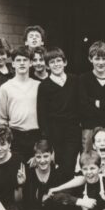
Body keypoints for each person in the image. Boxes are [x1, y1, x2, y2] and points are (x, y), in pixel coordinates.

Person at [37, 47, 81, 178]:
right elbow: (42, 114)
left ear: (65, 62)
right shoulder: (44, 86)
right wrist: (47, 137)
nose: (56, 64)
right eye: (52, 62)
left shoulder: (74, 80)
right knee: (59, 165)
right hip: (55, 132)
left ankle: (71, 194)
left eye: (58, 60)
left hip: (73, 130)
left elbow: (80, 105)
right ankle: (61, 194)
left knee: (72, 163)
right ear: (47, 66)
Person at [0, 46, 41, 162]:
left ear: (31, 63)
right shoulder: (5, 87)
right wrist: (7, 140)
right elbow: (1, 119)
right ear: (13, 64)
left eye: (25, 60)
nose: (22, 63)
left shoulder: (39, 86)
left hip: (36, 135)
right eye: (18, 60)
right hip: (15, 135)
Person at [23, 140, 64, 210]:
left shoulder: (57, 172)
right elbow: (27, 201)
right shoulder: (30, 172)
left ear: (52, 155)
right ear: (34, 157)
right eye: (38, 157)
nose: (42, 160)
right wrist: (21, 184)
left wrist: (49, 198)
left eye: (46, 156)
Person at [79, 42, 105, 151]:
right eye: (97, 59)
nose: (101, 62)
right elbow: (83, 107)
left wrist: (97, 103)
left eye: (104, 58)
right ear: (90, 59)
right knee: (90, 164)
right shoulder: (83, 79)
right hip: (90, 131)